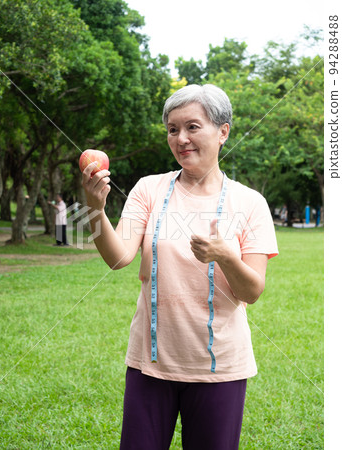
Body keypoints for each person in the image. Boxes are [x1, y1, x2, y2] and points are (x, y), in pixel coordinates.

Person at [81, 84, 278, 450]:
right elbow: (118, 257)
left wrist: (226, 256)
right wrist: (94, 206)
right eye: (173, 129)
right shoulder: (149, 189)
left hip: (220, 369)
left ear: (223, 132)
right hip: (150, 363)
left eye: (192, 127)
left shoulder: (250, 203)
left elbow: (252, 291)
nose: (181, 138)